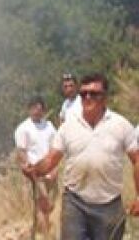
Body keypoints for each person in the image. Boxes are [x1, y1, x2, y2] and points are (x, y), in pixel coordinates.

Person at [25, 74, 139, 240]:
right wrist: (34, 169)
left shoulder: (120, 125)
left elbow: (136, 159)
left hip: (109, 206)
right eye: (84, 94)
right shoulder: (68, 127)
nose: (87, 98)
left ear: (105, 97)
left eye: (94, 94)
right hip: (75, 203)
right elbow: (51, 160)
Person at [16, 96, 58, 237]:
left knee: (51, 205)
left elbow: (55, 148)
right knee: (41, 205)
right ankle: (43, 235)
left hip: (50, 171)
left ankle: (47, 232)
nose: (37, 111)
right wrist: (29, 168)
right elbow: (22, 151)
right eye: (34, 108)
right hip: (35, 173)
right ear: (29, 109)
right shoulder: (23, 128)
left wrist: (55, 169)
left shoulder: (49, 126)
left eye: (39, 109)